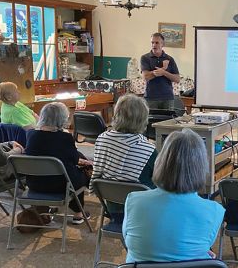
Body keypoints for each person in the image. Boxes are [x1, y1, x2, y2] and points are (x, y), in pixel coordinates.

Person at [122, 129, 225, 263]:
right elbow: (201, 244)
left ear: (161, 161)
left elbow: (129, 241)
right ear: (201, 166)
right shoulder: (214, 211)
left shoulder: (134, 200)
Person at [25, 102, 92, 224]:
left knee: (68, 170)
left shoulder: (31, 135)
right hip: (61, 185)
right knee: (79, 173)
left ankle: (49, 207)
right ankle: (78, 213)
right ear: (62, 119)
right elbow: (74, 160)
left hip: (34, 184)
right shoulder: (65, 138)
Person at [89, 94, 157, 192]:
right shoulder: (149, 150)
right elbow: (163, 178)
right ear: (143, 119)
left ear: (116, 114)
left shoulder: (102, 139)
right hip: (138, 204)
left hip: (110, 200)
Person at [141, 32, 180, 110]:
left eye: (157, 43)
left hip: (167, 98)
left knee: (168, 122)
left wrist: (164, 72)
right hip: (151, 98)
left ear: (163, 44)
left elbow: (177, 79)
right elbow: (145, 77)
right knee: (151, 122)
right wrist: (160, 71)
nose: (154, 45)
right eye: (152, 42)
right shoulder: (145, 58)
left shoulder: (170, 59)